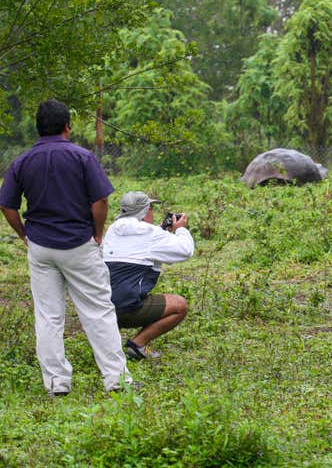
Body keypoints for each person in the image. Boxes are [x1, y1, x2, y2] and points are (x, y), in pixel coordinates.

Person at [0, 99, 134, 395]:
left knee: (48, 315)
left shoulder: (22, 161)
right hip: (79, 243)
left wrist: (23, 234)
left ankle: (56, 382)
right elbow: (100, 200)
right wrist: (98, 233)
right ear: (67, 127)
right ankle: (116, 379)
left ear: (37, 128)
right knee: (97, 310)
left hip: (40, 246)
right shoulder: (82, 157)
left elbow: (7, 205)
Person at [103, 191, 193, 360]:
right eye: (151, 207)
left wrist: (160, 231)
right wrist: (180, 230)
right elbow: (185, 251)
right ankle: (137, 344)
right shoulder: (151, 234)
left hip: (100, 309)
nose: (153, 211)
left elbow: (138, 244)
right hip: (125, 309)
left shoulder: (113, 230)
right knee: (179, 305)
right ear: (144, 212)